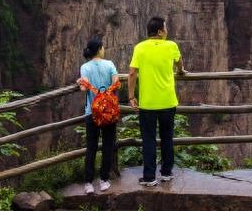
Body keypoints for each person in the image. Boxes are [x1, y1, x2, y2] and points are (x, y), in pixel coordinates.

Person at [128, 16, 184, 187]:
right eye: (165, 28)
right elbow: (179, 64)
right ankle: (166, 172)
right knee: (167, 138)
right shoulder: (171, 46)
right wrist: (181, 71)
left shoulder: (140, 48)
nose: (167, 31)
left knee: (149, 140)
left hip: (148, 104)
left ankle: (149, 177)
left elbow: (132, 73)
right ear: (160, 31)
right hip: (168, 102)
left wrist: (131, 96)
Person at [77, 36, 117, 195]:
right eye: (103, 47)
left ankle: (88, 183)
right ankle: (104, 180)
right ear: (99, 49)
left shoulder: (85, 67)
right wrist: (106, 91)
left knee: (91, 147)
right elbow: (115, 84)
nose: (104, 49)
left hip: (92, 113)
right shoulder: (110, 64)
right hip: (108, 112)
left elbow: (83, 89)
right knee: (108, 146)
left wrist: (81, 82)